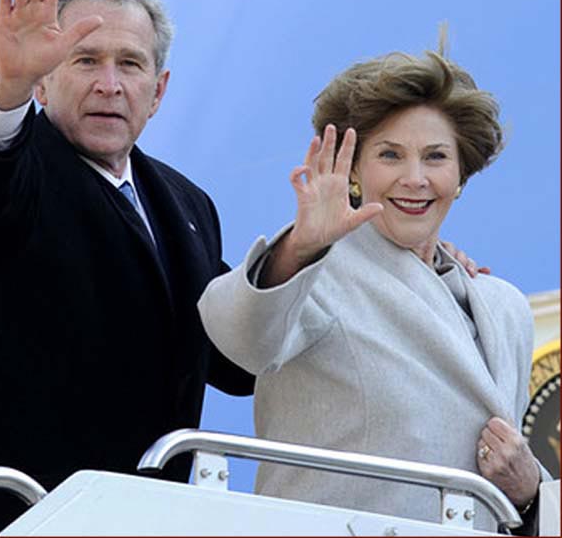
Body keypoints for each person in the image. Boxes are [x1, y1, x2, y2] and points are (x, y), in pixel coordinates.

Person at [198, 47, 550, 533]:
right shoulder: (317, 270)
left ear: (461, 175)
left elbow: (513, 499)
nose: (415, 179)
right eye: (390, 155)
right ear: (355, 171)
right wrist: (300, 247)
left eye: (436, 157)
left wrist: (532, 489)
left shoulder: (504, 306)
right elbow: (240, 339)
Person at [0, 0, 254, 535]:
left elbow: (233, 357)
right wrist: (7, 87)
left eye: (130, 63)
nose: (109, 84)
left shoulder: (187, 202)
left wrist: (316, 250)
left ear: (159, 89)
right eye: (85, 60)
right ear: (45, 78)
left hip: (150, 516)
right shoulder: (12, 162)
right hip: (17, 514)